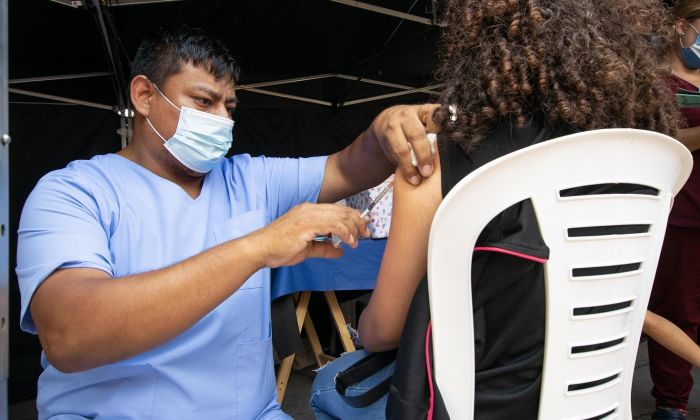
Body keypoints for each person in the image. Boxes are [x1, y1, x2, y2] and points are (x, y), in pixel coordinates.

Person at [15, 26, 439, 419]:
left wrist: (384, 130)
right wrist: (256, 247)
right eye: (203, 102)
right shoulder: (73, 193)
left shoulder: (248, 179)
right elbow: (71, 335)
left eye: (228, 106)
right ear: (144, 96)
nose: (221, 119)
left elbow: (346, 168)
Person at [310, 1, 680, 419]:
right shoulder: (638, 167)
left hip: (474, 406)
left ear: (476, 42)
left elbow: (383, 332)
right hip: (596, 405)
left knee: (329, 383)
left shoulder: (432, 164)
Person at [645, 1, 700, 419]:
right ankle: (671, 405)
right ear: (682, 26)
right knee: (675, 311)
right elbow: (663, 144)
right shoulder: (651, 84)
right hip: (679, 214)